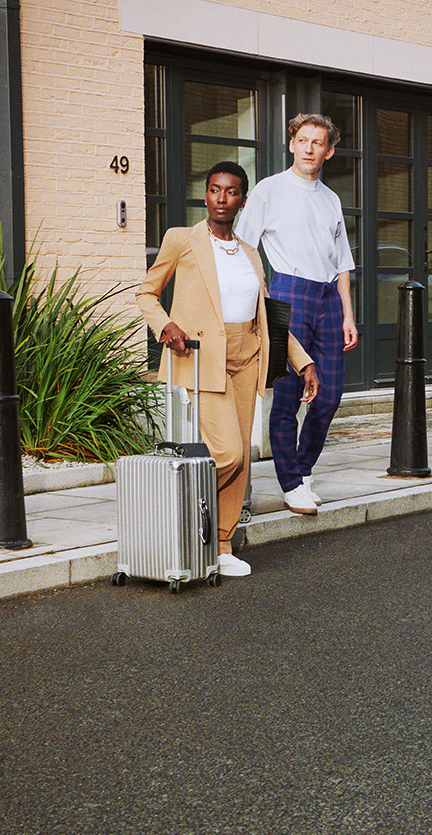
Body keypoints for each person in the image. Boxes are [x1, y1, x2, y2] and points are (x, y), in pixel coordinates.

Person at [136, 161, 318, 577]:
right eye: (215, 190)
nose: (222, 198)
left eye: (231, 192)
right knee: (228, 454)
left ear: (243, 200)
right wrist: (165, 324)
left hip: (247, 359)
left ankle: (220, 544)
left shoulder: (251, 252)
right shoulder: (181, 240)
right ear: (206, 195)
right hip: (202, 360)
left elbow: (266, 319)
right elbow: (147, 293)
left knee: (244, 460)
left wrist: (303, 361)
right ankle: (176, 510)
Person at [237, 113, 357, 515]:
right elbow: (245, 250)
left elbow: (342, 263)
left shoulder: (331, 198)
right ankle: (291, 484)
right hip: (287, 294)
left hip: (328, 301)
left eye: (317, 142)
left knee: (330, 394)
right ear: (292, 144)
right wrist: (259, 305)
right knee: (287, 397)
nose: (309, 148)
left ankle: (302, 469)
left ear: (329, 151)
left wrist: (347, 315)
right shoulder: (270, 190)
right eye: (302, 140)